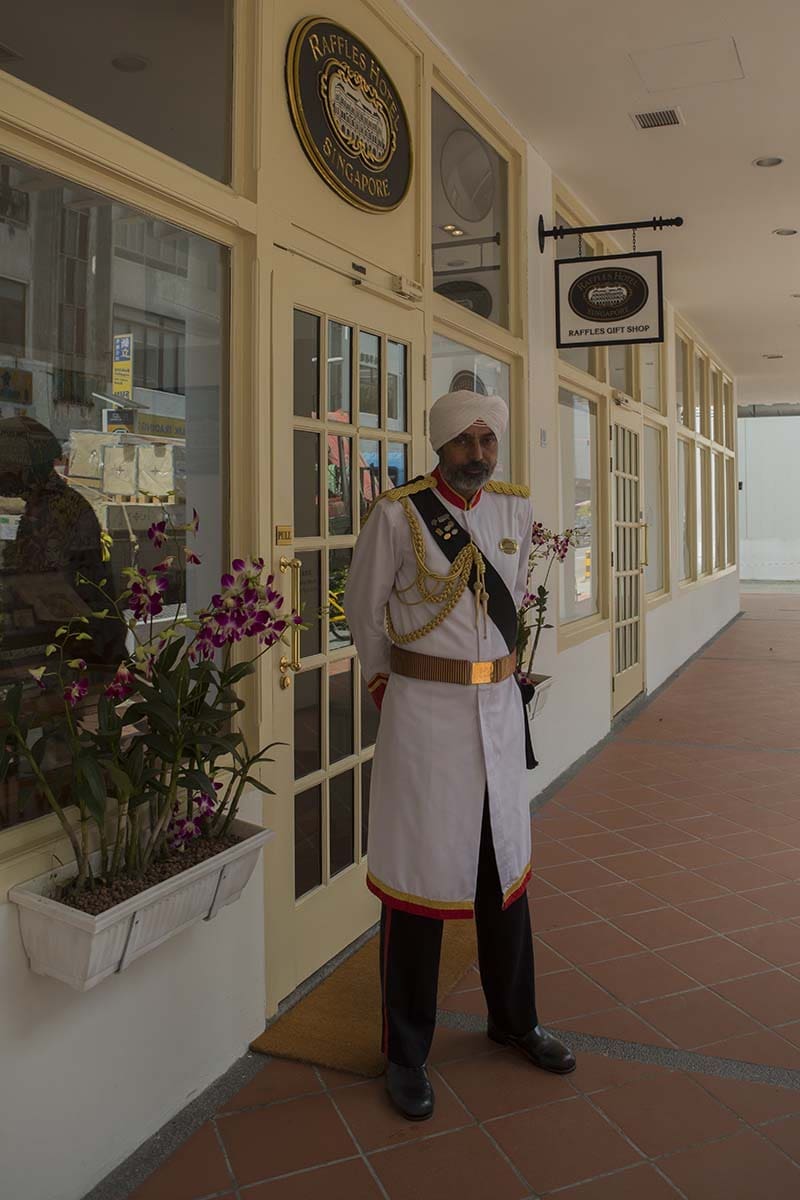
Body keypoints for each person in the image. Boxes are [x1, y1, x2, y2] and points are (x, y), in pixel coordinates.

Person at [344, 389, 575, 1122]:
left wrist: (520, 673)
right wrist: (383, 681)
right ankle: (405, 1053)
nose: (478, 454)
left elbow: (527, 597)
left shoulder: (513, 509)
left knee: (503, 874)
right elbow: (362, 609)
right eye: (465, 442)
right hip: (426, 719)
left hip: (496, 715)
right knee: (418, 885)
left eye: (487, 440)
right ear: (439, 446)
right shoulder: (397, 515)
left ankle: (515, 1021)